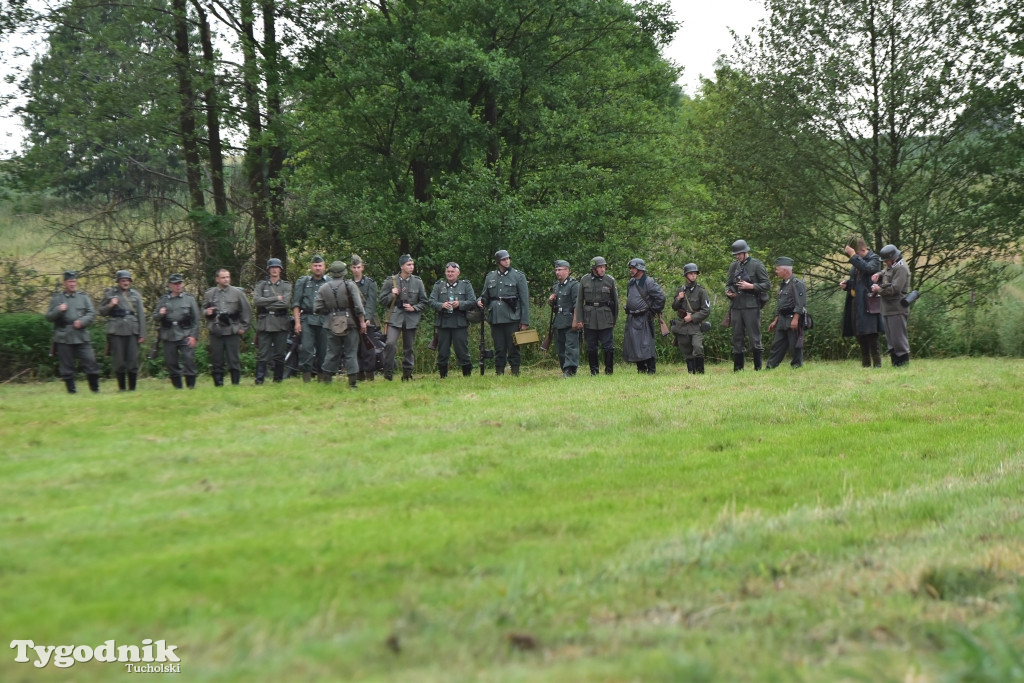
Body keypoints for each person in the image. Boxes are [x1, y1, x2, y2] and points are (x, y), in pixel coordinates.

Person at [46, 270, 101, 394]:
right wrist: (58, 310)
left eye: (74, 281)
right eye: (70, 282)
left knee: (90, 361)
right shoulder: (57, 298)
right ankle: (72, 392)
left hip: (81, 335)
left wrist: (82, 322)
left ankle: (95, 390)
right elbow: (49, 317)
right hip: (64, 336)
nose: (72, 284)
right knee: (67, 366)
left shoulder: (83, 297)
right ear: (64, 283)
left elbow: (91, 313)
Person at [477, 249, 531, 376]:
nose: (507, 261)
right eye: (504, 259)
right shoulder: (490, 276)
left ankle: (515, 371)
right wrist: (480, 301)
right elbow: (485, 295)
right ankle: (499, 371)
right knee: (499, 347)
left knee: (513, 347)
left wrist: (524, 321)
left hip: (512, 317)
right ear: (498, 262)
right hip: (495, 317)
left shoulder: (518, 276)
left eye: (508, 259)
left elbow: (524, 300)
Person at [314, 261, 367, 387]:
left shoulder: (324, 287)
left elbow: (316, 308)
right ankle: (352, 383)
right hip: (350, 323)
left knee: (331, 352)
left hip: (331, 323)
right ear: (344, 272)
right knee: (351, 352)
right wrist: (362, 322)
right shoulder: (350, 285)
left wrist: (330, 311)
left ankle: (327, 381)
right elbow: (359, 307)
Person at [379, 254, 429, 381]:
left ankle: (407, 374)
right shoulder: (391, 281)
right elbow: (382, 301)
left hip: (411, 318)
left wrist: (414, 308)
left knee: (409, 347)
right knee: (390, 344)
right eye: (408, 265)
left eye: (412, 264)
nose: (411, 267)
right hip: (395, 318)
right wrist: (392, 294)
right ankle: (388, 373)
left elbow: (424, 301)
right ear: (402, 266)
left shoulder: (417, 282)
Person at [725, 239, 770, 371]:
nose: (737, 256)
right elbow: (728, 284)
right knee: (737, 337)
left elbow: (767, 285)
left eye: (739, 254)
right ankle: (738, 368)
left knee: (754, 337)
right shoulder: (734, 266)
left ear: (746, 252)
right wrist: (728, 292)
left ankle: (758, 367)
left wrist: (751, 286)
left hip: (751, 306)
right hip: (736, 306)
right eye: (736, 254)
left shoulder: (757, 265)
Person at [99, 269, 146, 391]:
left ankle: (132, 388)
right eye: (123, 280)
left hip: (132, 330)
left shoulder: (135, 295)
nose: (125, 283)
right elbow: (101, 311)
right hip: (116, 330)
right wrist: (111, 305)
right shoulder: (110, 294)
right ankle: (121, 388)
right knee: (119, 361)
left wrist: (142, 333)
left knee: (132, 361)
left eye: (127, 280)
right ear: (118, 282)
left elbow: (141, 314)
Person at [203, 268, 252, 386]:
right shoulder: (210, 293)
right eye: (223, 277)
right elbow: (203, 309)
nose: (226, 279)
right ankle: (218, 384)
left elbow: (247, 310)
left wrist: (243, 327)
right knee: (216, 359)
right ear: (217, 279)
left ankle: (235, 384)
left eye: (228, 277)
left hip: (232, 330)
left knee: (233, 359)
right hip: (216, 330)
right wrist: (206, 312)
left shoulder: (237, 293)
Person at [840, 237, 884, 368]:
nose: (853, 258)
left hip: (868, 302)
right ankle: (865, 364)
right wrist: (847, 284)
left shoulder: (874, 259)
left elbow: (867, 269)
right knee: (859, 333)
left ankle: (877, 364)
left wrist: (853, 255)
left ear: (863, 249)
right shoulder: (857, 262)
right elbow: (856, 280)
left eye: (856, 254)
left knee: (871, 334)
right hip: (856, 302)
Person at [152, 273, 200, 389]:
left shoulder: (189, 299)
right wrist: (160, 314)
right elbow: (155, 317)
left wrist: (194, 336)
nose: (179, 286)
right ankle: (177, 388)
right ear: (170, 285)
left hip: (185, 333)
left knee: (188, 360)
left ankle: (191, 387)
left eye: (180, 283)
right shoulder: (163, 300)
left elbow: (196, 319)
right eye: (176, 284)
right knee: (171, 362)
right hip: (168, 334)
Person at [429, 262, 476, 378]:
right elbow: (431, 301)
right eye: (448, 272)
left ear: (458, 273)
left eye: (452, 272)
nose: (450, 274)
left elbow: (472, 301)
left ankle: (467, 375)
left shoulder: (465, 285)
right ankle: (443, 376)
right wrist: (441, 305)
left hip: (459, 323)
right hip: (443, 323)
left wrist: (459, 304)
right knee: (443, 351)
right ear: (445, 272)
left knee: (462, 350)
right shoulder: (439, 285)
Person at [574, 256, 619, 375]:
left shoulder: (609, 280)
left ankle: (609, 371)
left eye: (604, 267)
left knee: (608, 347)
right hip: (589, 318)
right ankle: (594, 371)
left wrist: (614, 319)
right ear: (594, 268)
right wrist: (579, 319)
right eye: (600, 267)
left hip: (606, 317)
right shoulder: (584, 280)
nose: (603, 269)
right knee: (591, 347)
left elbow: (615, 301)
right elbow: (579, 301)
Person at [291, 255, 332, 382]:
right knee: (306, 349)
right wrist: (297, 322)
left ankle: (322, 378)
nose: (318, 268)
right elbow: (296, 304)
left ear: (324, 267)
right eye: (315, 266)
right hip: (307, 319)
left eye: (320, 265)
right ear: (311, 267)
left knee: (324, 350)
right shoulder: (303, 282)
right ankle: (306, 378)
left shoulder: (330, 282)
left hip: (325, 319)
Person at [253, 257, 293, 384]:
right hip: (265, 322)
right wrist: (276, 298)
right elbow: (257, 301)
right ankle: (259, 380)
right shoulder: (261, 285)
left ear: (280, 269)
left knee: (280, 353)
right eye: (272, 267)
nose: (274, 270)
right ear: (268, 270)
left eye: (277, 267)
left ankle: (278, 380)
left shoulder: (286, 285)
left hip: (280, 322)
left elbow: (285, 303)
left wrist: (267, 302)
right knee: (262, 353)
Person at [622, 258, 665, 374]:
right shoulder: (631, 282)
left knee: (646, 345)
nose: (631, 270)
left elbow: (660, 298)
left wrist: (653, 311)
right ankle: (641, 369)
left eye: (633, 268)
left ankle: (651, 370)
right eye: (630, 268)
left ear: (640, 268)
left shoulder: (648, 282)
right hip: (632, 317)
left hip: (644, 317)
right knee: (634, 344)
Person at [871, 244, 911, 367]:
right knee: (891, 339)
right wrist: (879, 274)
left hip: (897, 308)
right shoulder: (893, 266)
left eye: (886, 261)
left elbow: (895, 289)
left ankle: (902, 363)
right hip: (888, 308)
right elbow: (887, 272)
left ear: (893, 258)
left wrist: (879, 290)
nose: (885, 263)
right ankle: (895, 363)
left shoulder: (901, 268)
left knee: (899, 339)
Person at [766, 257, 807, 369]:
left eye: (778, 269)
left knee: (795, 345)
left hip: (792, 319)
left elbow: (801, 303)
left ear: (785, 270)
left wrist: (796, 319)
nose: (776, 271)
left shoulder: (797, 283)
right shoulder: (783, 284)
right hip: (782, 319)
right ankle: (770, 366)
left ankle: (796, 365)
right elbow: (780, 304)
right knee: (777, 344)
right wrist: (775, 320)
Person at [671, 262, 711, 374]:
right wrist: (678, 299)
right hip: (682, 325)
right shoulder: (680, 290)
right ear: (686, 276)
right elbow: (674, 307)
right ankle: (691, 372)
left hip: (695, 325)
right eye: (691, 274)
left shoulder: (701, 291)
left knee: (698, 347)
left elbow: (706, 310)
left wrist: (692, 317)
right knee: (686, 350)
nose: (693, 276)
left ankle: (700, 372)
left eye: (695, 273)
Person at [350, 254, 380, 381]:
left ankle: (370, 374)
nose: (356, 270)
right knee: (355, 347)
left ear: (362, 267)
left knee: (368, 348)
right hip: (353, 319)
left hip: (368, 319)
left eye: (358, 267)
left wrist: (367, 318)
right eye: (354, 267)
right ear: (351, 268)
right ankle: (359, 373)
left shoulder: (370, 283)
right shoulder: (348, 283)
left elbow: (372, 302)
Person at [548, 260, 580, 377]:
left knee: (571, 346)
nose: (557, 272)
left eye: (560, 269)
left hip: (570, 319)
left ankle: (570, 370)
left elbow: (577, 304)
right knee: (560, 347)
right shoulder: (556, 286)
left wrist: (576, 321)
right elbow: (557, 306)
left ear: (567, 270)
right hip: (559, 320)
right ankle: (564, 369)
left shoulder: (574, 285)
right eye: (556, 270)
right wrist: (551, 300)